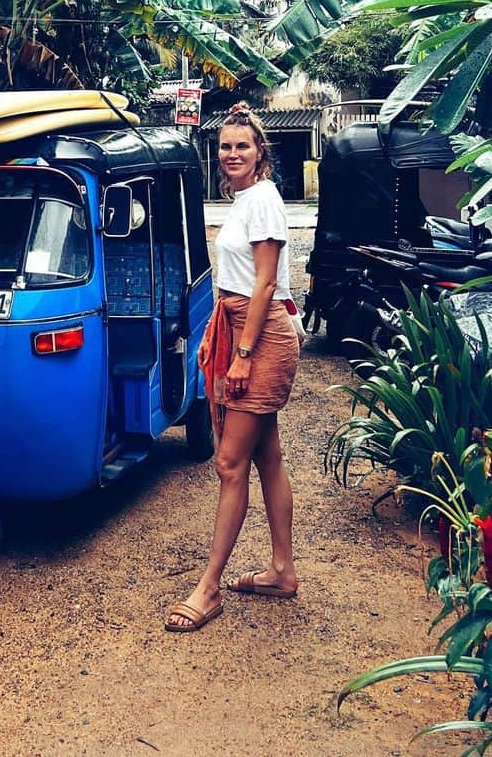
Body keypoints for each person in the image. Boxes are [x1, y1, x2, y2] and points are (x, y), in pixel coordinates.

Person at [165, 103, 301, 632]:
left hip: (257, 333)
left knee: (228, 463)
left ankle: (209, 587)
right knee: (267, 455)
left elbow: (266, 282)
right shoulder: (247, 199)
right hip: (246, 324)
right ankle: (282, 572)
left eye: (242, 145)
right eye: (224, 146)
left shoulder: (263, 199)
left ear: (260, 150)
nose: (232, 154)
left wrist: (242, 354)